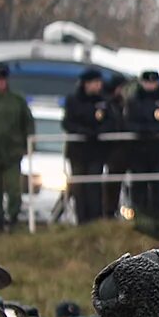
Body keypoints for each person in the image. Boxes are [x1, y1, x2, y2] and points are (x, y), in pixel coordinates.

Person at [0, 63, 35, 230]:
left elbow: (28, 123)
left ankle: (13, 218)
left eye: (2, 80)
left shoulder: (17, 101)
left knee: (13, 189)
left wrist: (29, 145)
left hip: (12, 152)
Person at [62, 67, 120, 223]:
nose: (98, 86)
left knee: (94, 186)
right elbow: (68, 122)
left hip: (96, 151)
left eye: (99, 83)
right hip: (78, 151)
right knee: (79, 188)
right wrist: (83, 131)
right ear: (86, 84)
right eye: (94, 83)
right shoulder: (73, 101)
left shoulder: (104, 101)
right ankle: (82, 219)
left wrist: (98, 131)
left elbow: (111, 122)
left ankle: (95, 219)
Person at [125, 69, 159, 217]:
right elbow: (128, 123)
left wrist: (156, 130)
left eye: (153, 82)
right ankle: (138, 215)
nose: (150, 85)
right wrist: (145, 130)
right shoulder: (133, 102)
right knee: (139, 185)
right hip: (138, 150)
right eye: (147, 82)